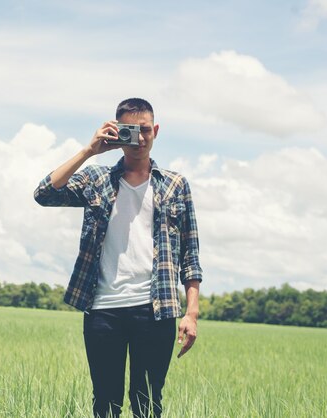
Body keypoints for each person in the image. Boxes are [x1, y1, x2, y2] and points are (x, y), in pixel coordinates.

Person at [33, 98, 202, 418]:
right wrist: (89, 150)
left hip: (157, 310)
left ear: (156, 131)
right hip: (103, 310)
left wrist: (191, 313)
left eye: (144, 131)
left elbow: (191, 254)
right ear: (115, 132)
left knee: (148, 403)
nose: (138, 139)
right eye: (129, 131)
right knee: (105, 403)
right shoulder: (96, 179)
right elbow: (44, 194)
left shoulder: (176, 185)